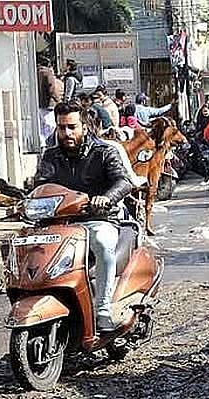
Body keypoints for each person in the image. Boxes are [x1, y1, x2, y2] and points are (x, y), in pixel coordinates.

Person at [33, 101, 133, 332]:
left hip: (98, 218)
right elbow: (42, 184)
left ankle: (103, 309)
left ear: (84, 127)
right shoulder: (51, 156)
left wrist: (106, 198)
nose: (66, 133)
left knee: (101, 242)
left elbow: (123, 181)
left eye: (72, 127)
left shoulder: (103, 152)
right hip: (61, 222)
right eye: (61, 128)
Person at [36, 55, 63, 144]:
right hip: (48, 103)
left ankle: (43, 144)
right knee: (50, 125)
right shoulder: (47, 73)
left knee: (41, 126)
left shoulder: (34, 72)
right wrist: (58, 100)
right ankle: (50, 143)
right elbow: (51, 88)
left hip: (38, 103)